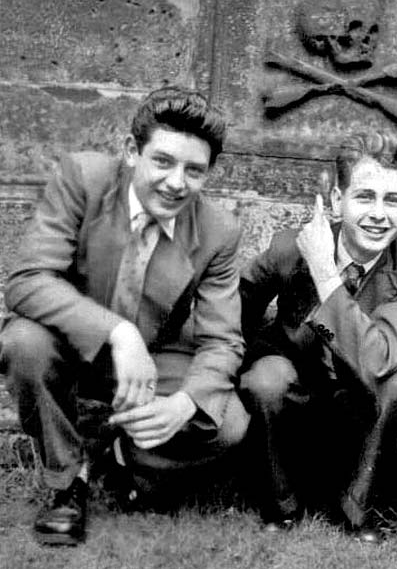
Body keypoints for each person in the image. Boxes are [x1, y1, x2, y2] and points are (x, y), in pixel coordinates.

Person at [0, 86, 249, 545]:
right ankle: (67, 483)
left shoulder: (219, 231)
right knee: (22, 343)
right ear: (132, 151)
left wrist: (185, 403)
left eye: (194, 171)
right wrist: (118, 331)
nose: (177, 183)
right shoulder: (83, 178)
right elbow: (27, 279)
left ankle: (123, 459)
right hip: (72, 344)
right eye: (163, 161)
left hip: (153, 359)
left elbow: (223, 341)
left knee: (227, 422)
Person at [239, 131, 397, 541]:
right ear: (335, 201)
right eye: (365, 197)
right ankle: (281, 504)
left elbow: (378, 359)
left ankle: (357, 508)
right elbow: (236, 310)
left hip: (360, 404)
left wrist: (327, 276)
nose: (379, 215)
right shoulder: (289, 248)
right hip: (294, 396)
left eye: (393, 201)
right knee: (266, 377)